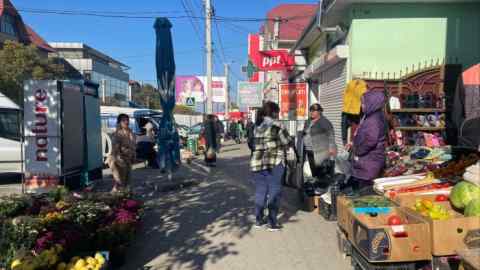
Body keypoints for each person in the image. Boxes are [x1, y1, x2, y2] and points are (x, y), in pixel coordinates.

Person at [251, 101, 294, 231]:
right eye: (278, 111)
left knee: (260, 191)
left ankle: (258, 220)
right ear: (274, 112)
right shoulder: (277, 125)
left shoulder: (257, 126)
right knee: (274, 192)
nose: (279, 114)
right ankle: (272, 222)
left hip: (257, 162)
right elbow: (287, 141)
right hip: (274, 163)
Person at [347, 90, 387, 192]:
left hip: (369, 163)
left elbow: (370, 140)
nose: (362, 106)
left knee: (365, 194)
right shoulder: (372, 116)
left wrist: (358, 152)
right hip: (368, 162)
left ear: (372, 103)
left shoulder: (373, 120)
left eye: (364, 103)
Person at [302, 104, 337, 185]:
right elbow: (304, 132)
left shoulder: (324, 122)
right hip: (309, 149)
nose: (311, 112)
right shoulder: (308, 121)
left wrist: (331, 147)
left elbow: (331, 135)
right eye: (311, 110)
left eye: (314, 110)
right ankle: (315, 182)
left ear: (320, 111)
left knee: (321, 168)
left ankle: (322, 185)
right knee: (312, 167)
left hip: (320, 149)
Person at [106, 114, 136, 192]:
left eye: (127, 120)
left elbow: (133, 147)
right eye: (123, 120)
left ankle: (125, 198)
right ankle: (114, 197)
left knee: (127, 182)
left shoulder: (131, 132)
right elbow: (115, 149)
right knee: (119, 182)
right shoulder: (117, 134)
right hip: (118, 160)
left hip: (127, 160)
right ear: (119, 122)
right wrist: (120, 159)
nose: (126, 122)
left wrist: (133, 156)